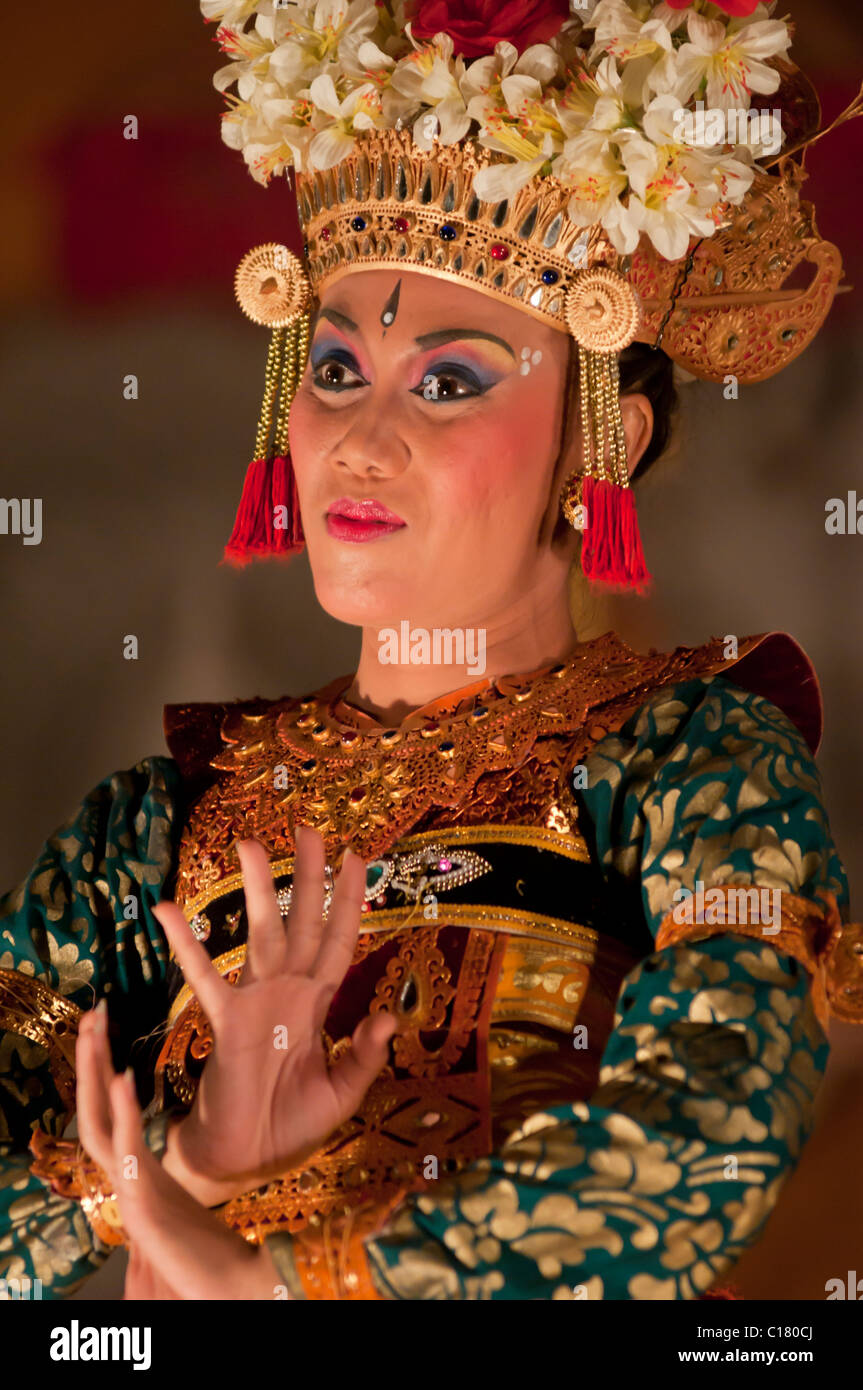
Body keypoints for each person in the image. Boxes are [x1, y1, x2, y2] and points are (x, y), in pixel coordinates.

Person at [1, 0, 861, 1301]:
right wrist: (198, 1164)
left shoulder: (689, 761)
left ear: (603, 443)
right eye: (338, 370)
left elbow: (707, 1127)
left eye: (448, 382)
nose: (360, 435)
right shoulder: (155, 832)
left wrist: (290, 1281)